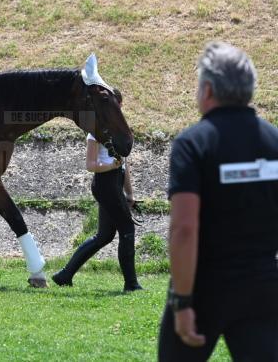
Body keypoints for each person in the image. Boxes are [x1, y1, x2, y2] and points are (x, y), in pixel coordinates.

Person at [158, 42, 278, 361]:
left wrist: (183, 302)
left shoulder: (193, 143)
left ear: (207, 89)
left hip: (204, 288)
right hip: (262, 289)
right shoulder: (274, 142)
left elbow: (184, 229)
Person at [52, 89, 142, 292]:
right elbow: (91, 165)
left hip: (114, 183)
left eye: (119, 107)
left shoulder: (118, 132)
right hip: (104, 183)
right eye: (115, 107)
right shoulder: (95, 133)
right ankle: (131, 284)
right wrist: (113, 166)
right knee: (127, 229)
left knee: (104, 236)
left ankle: (65, 275)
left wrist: (130, 194)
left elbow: (124, 165)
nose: (118, 111)